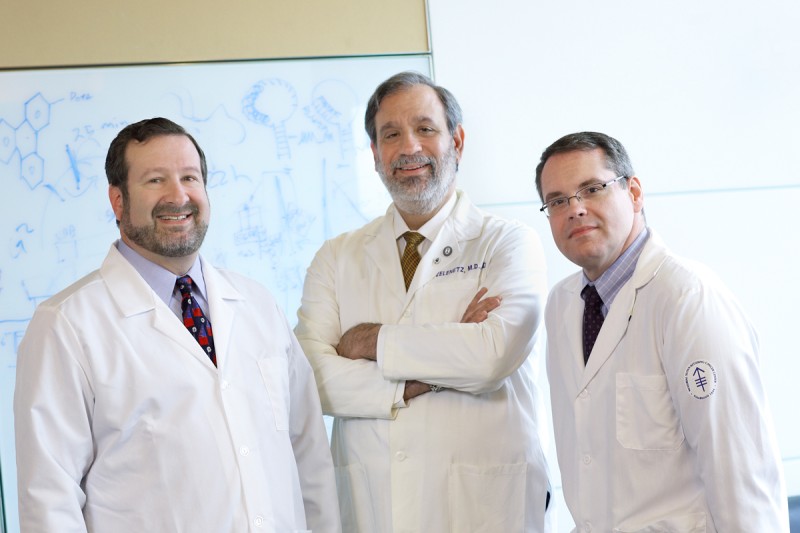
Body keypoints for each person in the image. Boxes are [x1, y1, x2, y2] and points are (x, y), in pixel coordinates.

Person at [14, 117, 341, 532]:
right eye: (155, 180)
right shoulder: (66, 325)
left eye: (190, 177)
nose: (178, 195)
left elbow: (309, 458)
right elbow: (49, 500)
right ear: (118, 201)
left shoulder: (257, 304)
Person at [294, 71, 552, 532]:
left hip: (483, 509)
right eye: (391, 134)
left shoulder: (508, 243)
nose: (409, 146)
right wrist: (434, 371)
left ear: (457, 141)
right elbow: (311, 376)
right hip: (373, 510)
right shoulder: (336, 257)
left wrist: (370, 341)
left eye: (425, 128)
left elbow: (490, 357)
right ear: (375, 153)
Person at [535, 131, 788, 532]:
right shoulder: (561, 305)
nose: (575, 209)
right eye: (557, 201)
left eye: (592, 189)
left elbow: (742, 473)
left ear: (634, 193)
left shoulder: (688, 298)